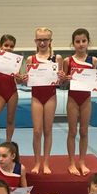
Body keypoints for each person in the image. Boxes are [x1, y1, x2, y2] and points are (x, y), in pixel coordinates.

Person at [63, 28, 97, 177]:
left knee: (84, 131)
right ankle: (71, 162)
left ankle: (82, 161)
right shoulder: (68, 61)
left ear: (88, 42)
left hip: (86, 99)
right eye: (77, 41)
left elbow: (93, 81)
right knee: (72, 131)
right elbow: (62, 83)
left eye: (83, 41)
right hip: (73, 99)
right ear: (73, 43)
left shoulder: (93, 60)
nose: (81, 44)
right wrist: (66, 79)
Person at [24, 27, 64, 174]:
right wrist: (24, 79)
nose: (42, 43)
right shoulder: (31, 59)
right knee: (37, 131)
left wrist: (61, 77)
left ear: (50, 41)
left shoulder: (56, 58)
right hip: (36, 97)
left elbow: (61, 82)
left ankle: (46, 163)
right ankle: (37, 162)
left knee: (48, 130)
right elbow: (27, 82)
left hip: (50, 97)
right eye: (39, 40)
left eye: (45, 40)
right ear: (35, 41)